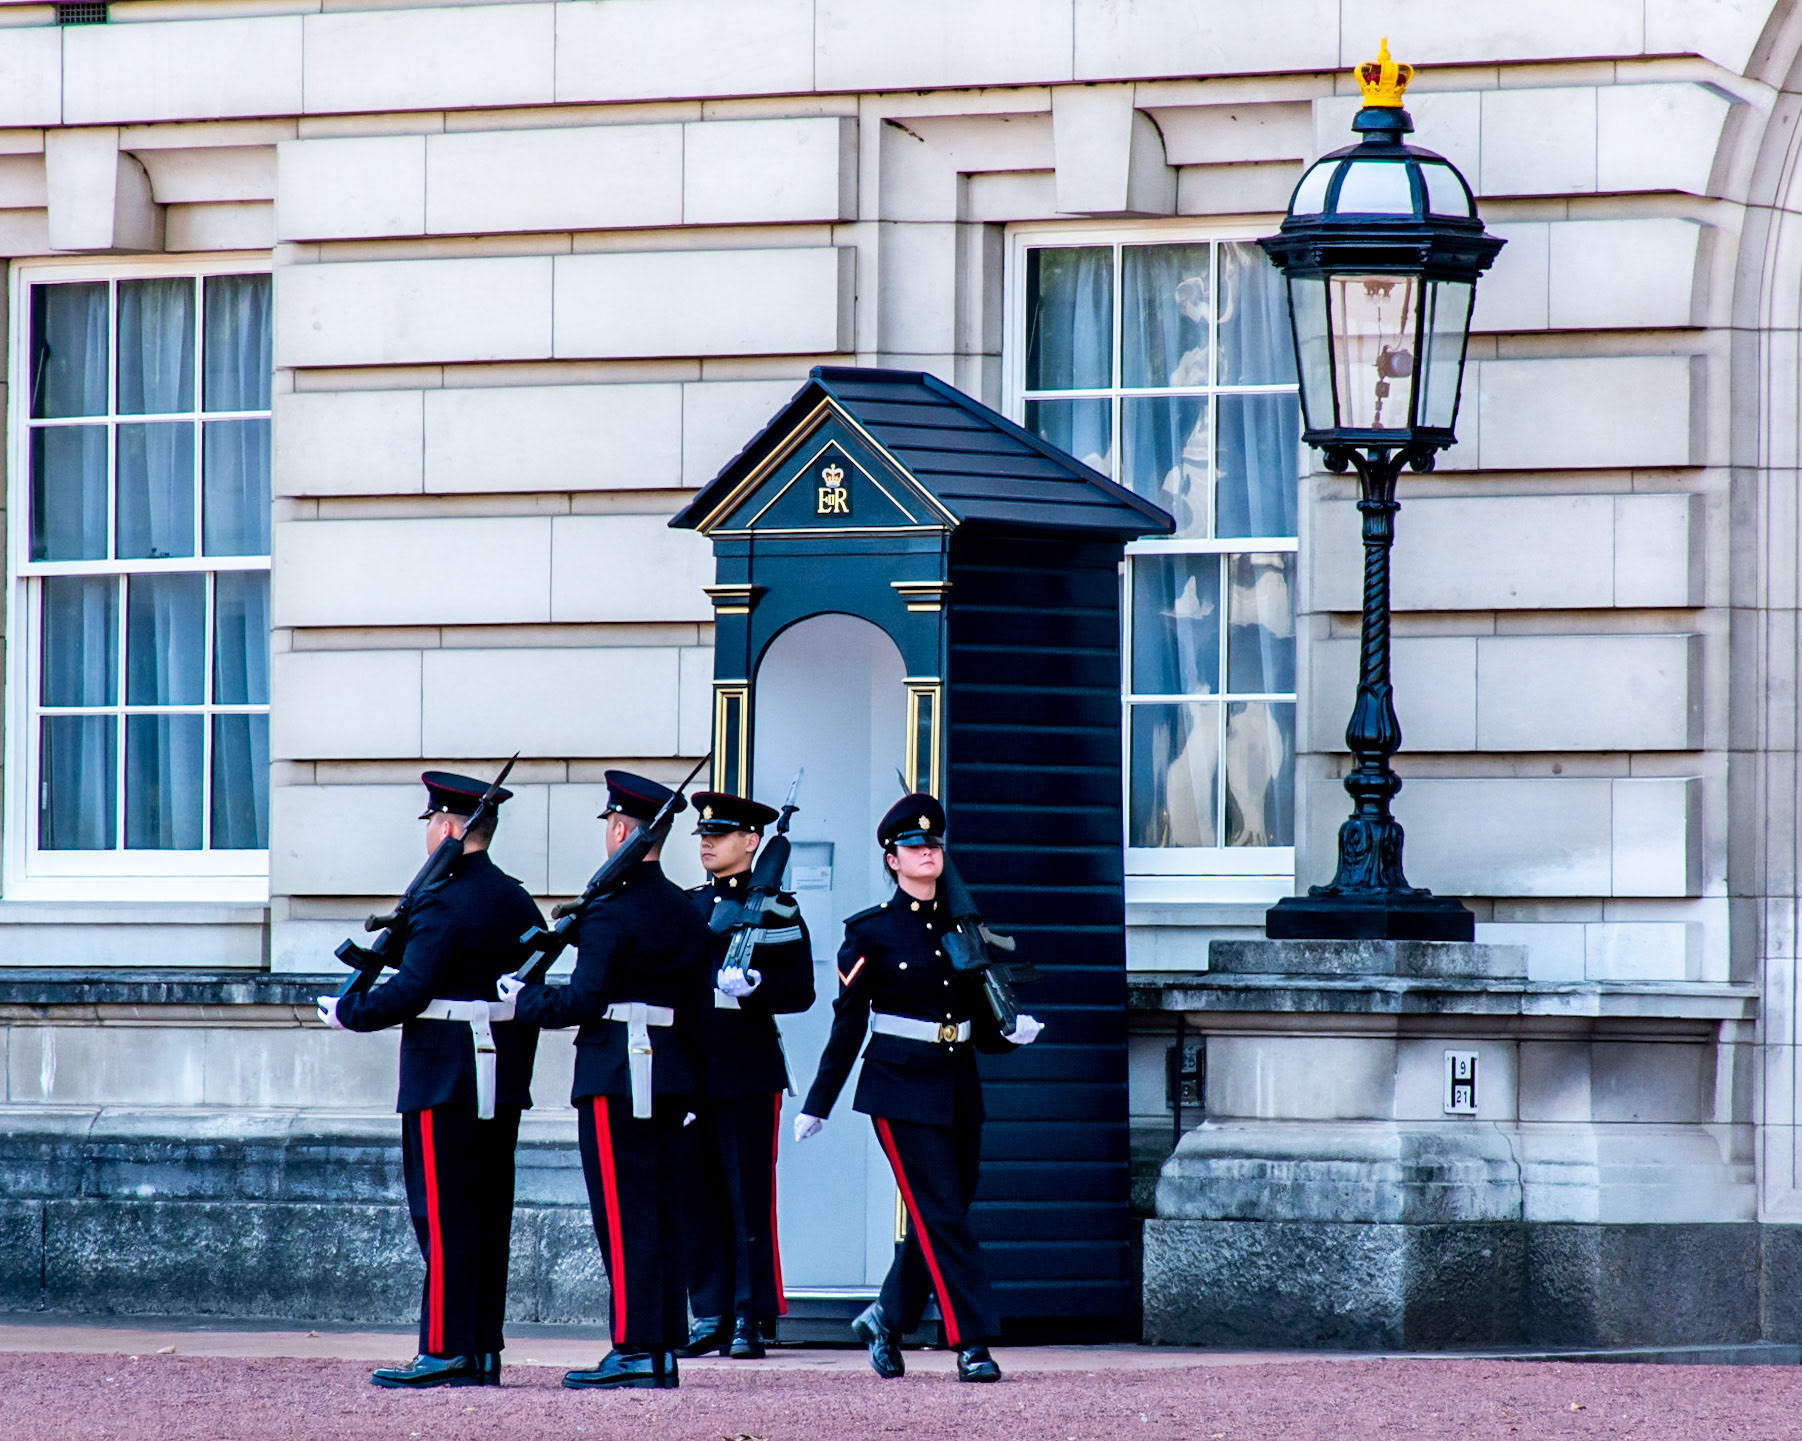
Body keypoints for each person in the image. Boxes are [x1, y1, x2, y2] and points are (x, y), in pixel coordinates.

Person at [792, 794, 1043, 1383]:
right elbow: (849, 1022)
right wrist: (818, 1104)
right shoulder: (872, 933)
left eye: (933, 845)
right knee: (942, 1217)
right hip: (898, 1089)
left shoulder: (965, 928)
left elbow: (980, 1024)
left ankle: (888, 1316)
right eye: (913, 847)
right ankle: (971, 1342)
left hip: (956, 1085)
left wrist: (1012, 1033)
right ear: (892, 860)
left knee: (947, 1211)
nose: (926, 852)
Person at [317, 771, 545, 1390]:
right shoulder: (516, 898)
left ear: (446, 827)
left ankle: (446, 1348)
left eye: (430, 823)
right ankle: (481, 1348)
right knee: (487, 1212)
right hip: (501, 1075)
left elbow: (413, 990)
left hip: (444, 1072)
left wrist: (350, 1013)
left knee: (443, 1216)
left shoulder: (440, 899)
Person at [499, 771, 712, 1390]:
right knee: (662, 1211)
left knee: (622, 1215)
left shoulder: (609, 910)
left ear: (620, 829)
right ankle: (663, 1343)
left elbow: (586, 1001)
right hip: (669, 1075)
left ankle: (635, 1347)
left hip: (615, 1074)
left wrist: (527, 999)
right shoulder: (684, 909)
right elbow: (698, 1014)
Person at [678, 791, 815, 1360]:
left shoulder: (779, 910)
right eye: (704, 834)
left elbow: (801, 992)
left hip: (748, 1070)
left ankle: (748, 1315)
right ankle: (709, 1311)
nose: (707, 842)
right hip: (689, 1069)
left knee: (746, 1198)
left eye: (722, 834)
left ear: (752, 842)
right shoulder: (687, 906)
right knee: (696, 1195)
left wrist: (757, 990)